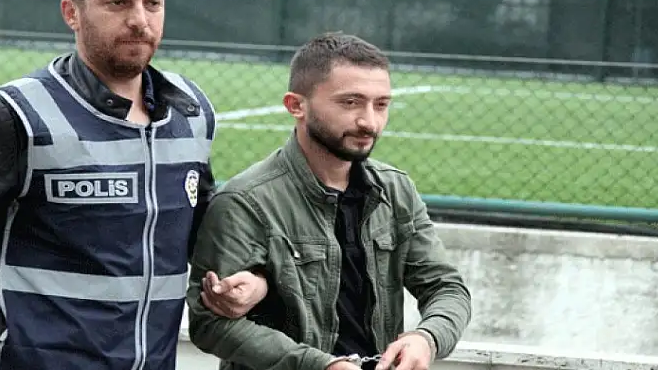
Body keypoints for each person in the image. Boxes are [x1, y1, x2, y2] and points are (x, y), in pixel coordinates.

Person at [0, 0, 268, 369]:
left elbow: (202, 227)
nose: (139, 20)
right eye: (118, 2)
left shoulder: (189, 112)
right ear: (72, 13)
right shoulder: (18, 115)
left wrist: (253, 276)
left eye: (153, 3)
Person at [186, 32, 472, 370]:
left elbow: (447, 288)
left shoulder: (396, 190)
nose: (369, 122)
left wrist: (427, 338)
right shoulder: (245, 201)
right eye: (350, 102)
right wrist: (320, 365)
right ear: (296, 105)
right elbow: (210, 325)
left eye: (381, 105)